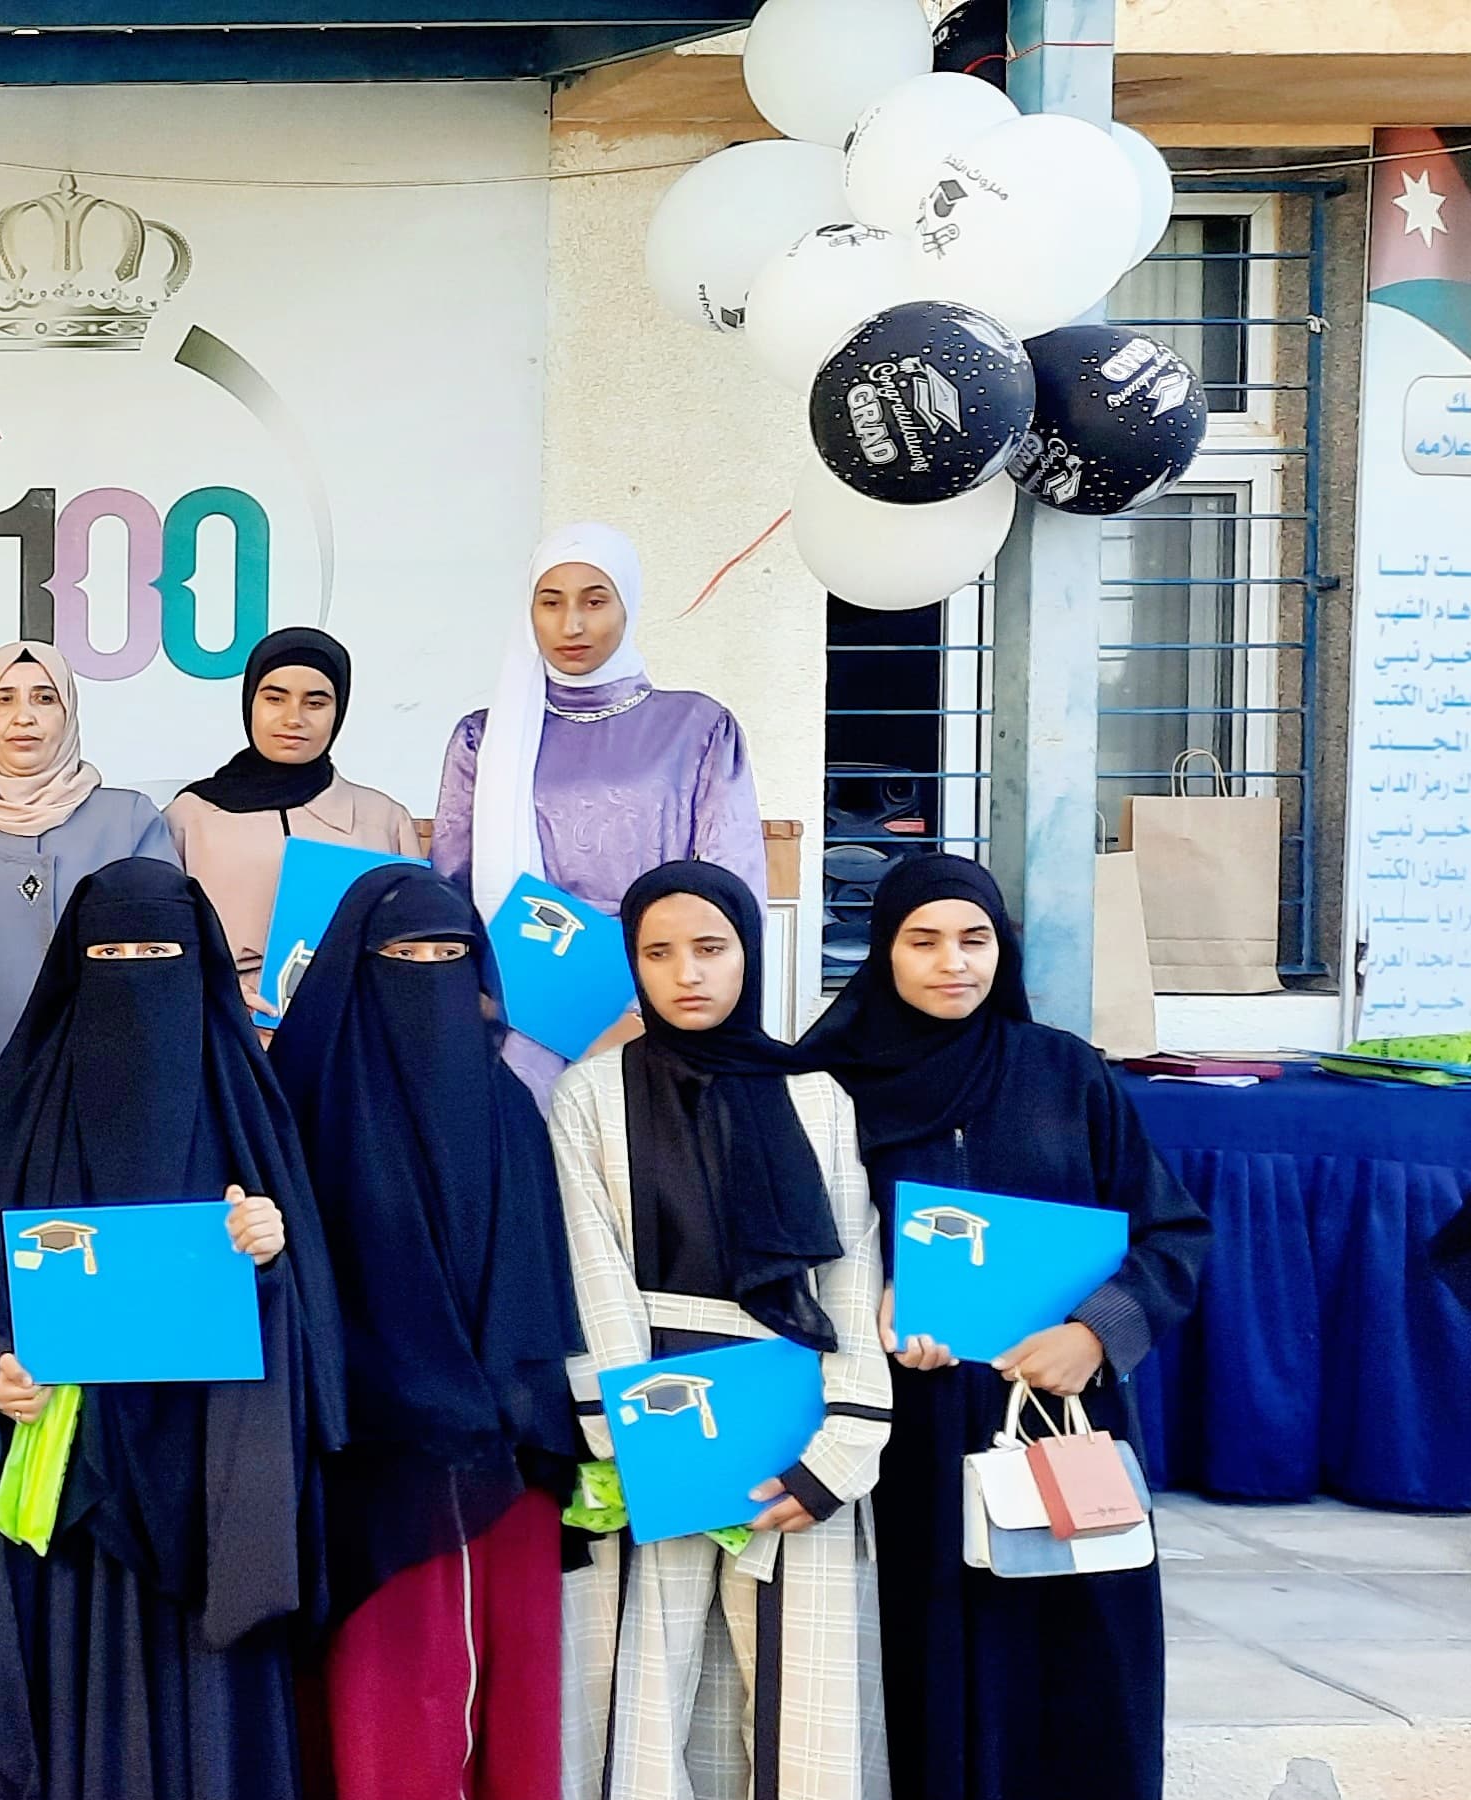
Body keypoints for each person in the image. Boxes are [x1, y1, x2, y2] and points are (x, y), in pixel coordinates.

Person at [801, 855, 1209, 1800]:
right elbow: (789, 1238)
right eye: (924, 941)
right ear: (882, 951)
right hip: (909, 1424)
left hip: (1059, 1416)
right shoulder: (827, 1084)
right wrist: (868, 1297)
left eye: (975, 939)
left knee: (1073, 1654)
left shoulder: (1065, 1073)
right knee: (925, 1649)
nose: (954, 962)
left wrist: (1096, 1333)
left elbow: (1172, 1232)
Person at [0, 857, 335, 1800]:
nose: (133, 975)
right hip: (77, 1480)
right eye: (109, 956)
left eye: (157, 955)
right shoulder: (22, 1104)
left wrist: (270, 1250)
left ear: (196, 966)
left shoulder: (248, 1104)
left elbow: (314, 1324)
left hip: (213, 1479)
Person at [551, 862, 887, 1800]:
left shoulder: (815, 1094)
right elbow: (588, 1265)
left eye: (710, 948)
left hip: (795, 1418)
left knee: (795, 1687)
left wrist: (840, 1450)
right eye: (658, 953)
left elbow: (851, 1268)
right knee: (642, 1679)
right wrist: (631, 1440)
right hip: (655, 1417)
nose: (687, 974)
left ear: (751, 952)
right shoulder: (592, 1093)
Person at [267, 865, 583, 1800]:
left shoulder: (509, 1107)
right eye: (406, 957)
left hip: (507, 1447)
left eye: (452, 956)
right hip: (367, 1456)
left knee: (515, 1704)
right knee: (389, 1707)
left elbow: (538, 1277)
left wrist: (500, 1403)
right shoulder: (299, 1106)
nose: (431, 975)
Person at [432, 526, 762, 1097]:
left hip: (660, 998)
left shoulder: (697, 728)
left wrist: (643, 1007)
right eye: (551, 603)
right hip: (517, 1007)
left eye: (594, 601)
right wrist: (482, 1001)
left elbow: (728, 887)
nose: (572, 626)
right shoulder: (483, 738)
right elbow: (451, 886)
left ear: (627, 604)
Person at [0, 640, 177, 1057]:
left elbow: (169, 957)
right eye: (3, 699)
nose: (23, 716)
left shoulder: (129, 820)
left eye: (44, 698)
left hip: (104, 1065)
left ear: (68, 712)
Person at [165, 626, 423, 1011]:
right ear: (250, 701)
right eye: (274, 698)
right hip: (224, 1025)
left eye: (315, 703)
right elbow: (162, 938)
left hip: (352, 1024)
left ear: (339, 711)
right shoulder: (192, 815)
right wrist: (216, 995)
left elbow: (413, 938)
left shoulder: (383, 818)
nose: (293, 718)